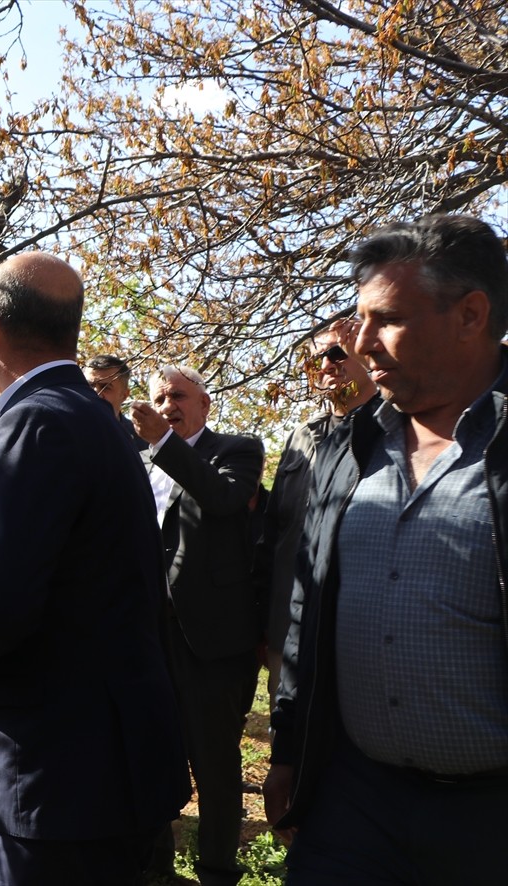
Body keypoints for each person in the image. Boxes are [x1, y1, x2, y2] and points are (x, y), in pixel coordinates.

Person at [0, 252, 190, 885]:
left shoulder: (34, 422)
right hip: (104, 764)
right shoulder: (94, 418)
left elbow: (0, 601)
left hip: (59, 772)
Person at [264, 214, 508, 885]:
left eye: (388, 319)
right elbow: (307, 608)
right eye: (361, 319)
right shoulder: (351, 446)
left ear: (471, 315)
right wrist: (289, 751)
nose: (362, 342)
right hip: (354, 802)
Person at [132, 365, 264, 886]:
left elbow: (224, 498)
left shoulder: (236, 450)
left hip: (212, 642)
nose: (168, 405)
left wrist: (164, 443)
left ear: (205, 404)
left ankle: (217, 872)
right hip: (146, 637)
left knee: (215, 767)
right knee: (150, 757)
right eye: (159, 398)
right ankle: (155, 868)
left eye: (179, 396)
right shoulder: (137, 461)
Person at [252, 323, 375, 699]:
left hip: (359, 637)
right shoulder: (301, 436)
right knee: (288, 730)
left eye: (337, 352)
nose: (325, 365)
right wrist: (263, 624)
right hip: (288, 631)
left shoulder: (396, 429)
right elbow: (272, 534)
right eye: (314, 359)